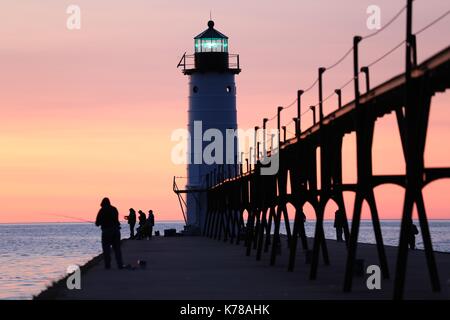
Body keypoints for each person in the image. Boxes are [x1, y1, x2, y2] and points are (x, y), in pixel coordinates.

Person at [95, 197, 124, 269]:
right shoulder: (114, 209)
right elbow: (116, 219)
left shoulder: (102, 210)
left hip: (106, 231)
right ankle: (120, 265)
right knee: (117, 249)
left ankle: (108, 265)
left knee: (106, 249)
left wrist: (99, 223)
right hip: (116, 231)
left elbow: (97, 223)